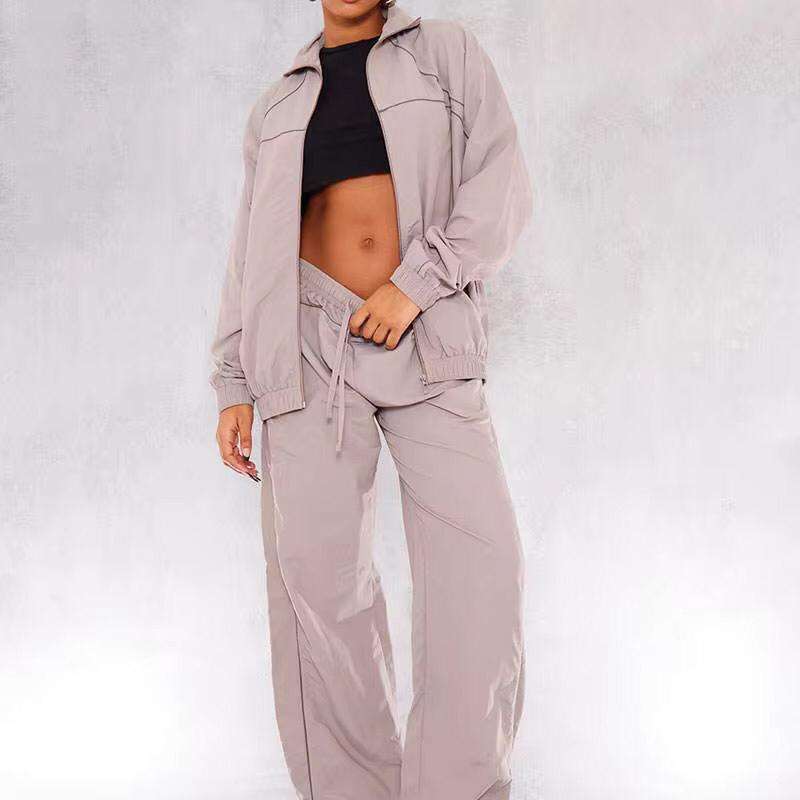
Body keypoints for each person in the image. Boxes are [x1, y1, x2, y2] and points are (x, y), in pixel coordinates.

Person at [208, 1, 533, 798]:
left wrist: (415, 284)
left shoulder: (446, 55)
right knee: (320, 584)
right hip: (304, 346)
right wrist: (234, 378)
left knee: (481, 571)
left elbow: (503, 186)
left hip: (426, 331)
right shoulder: (276, 105)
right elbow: (250, 251)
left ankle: (458, 788)